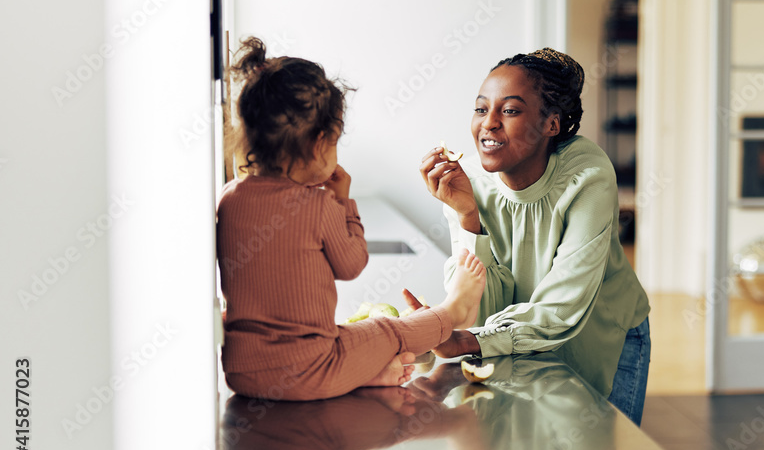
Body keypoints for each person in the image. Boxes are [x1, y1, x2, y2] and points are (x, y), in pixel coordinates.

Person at [217, 36, 485, 401]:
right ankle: (454, 311)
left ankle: (369, 375)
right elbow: (351, 264)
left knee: (346, 336)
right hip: (314, 369)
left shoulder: (229, 199)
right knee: (390, 330)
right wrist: (343, 202)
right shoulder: (317, 205)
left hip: (243, 374)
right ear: (318, 142)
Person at [418, 48, 651, 425]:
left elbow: (563, 306)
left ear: (552, 125)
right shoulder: (468, 185)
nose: (489, 124)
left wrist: (466, 340)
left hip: (603, 334)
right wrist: (467, 216)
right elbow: (486, 304)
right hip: (522, 338)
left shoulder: (587, 175)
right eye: (481, 109)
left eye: (509, 111)